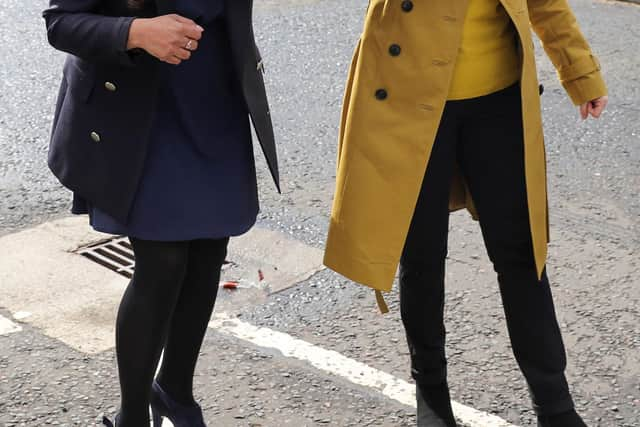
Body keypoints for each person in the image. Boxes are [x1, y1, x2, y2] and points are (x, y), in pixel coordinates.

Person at [324, 0, 607, 426]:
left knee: (522, 255)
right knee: (421, 255)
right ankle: (432, 396)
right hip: (407, 96)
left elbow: (544, 3)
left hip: (499, 101)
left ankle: (555, 406)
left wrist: (580, 71)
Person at [43, 0, 279, 425]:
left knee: (208, 252)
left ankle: (174, 392)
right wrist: (135, 32)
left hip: (215, 102)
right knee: (162, 261)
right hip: (138, 110)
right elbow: (61, 23)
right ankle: (131, 415)